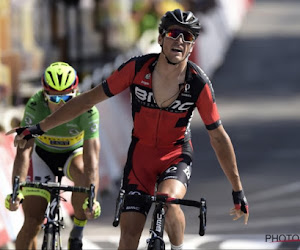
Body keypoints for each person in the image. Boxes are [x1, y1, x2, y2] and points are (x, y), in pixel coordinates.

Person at [8, 9, 249, 250]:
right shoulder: (137, 69)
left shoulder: (198, 83)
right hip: (140, 158)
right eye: (174, 33)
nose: (180, 41)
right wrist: (39, 128)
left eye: (187, 37)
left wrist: (237, 190)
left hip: (175, 156)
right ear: (160, 38)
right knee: (129, 234)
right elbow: (86, 101)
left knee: (168, 200)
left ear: (192, 45)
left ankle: (177, 247)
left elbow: (218, 138)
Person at [5, 62, 101, 250]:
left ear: (76, 93)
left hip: (72, 155)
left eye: (66, 97)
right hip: (43, 156)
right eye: (54, 99)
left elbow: (92, 160)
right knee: (32, 223)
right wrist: (17, 189)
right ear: (43, 94)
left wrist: (92, 198)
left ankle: (77, 232)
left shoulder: (88, 111)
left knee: (82, 170)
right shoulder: (35, 105)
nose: (61, 104)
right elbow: (24, 151)